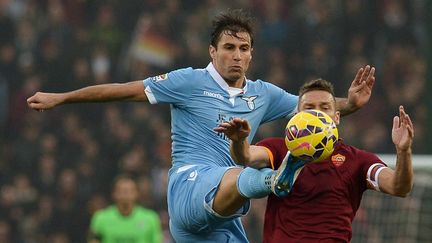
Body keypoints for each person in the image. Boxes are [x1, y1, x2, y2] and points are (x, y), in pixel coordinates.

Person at [27, 9, 376, 242]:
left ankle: (268, 180)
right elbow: (122, 90)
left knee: (236, 179)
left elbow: (315, 114)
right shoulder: (187, 82)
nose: (236, 55)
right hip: (189, 186)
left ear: (252, 54)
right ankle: (274, 179)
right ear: (212, 51)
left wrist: (349, 105)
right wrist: (62, 97)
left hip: (224, 215)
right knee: (237, 175)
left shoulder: (263, 94)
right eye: (228, 48)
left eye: (243, 48)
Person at [216, 79, 414, 242]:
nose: (317, 112)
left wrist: (403, 151)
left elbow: (399, 187)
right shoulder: (279, 148)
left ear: (336, 117)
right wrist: (239, 140)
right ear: (297, 115)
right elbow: (245, 156)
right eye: (309, 107)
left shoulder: (357, 160)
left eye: (324, 107)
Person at [89, 175, 162, 243]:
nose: (125, 195)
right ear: (114, 194)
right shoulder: (100, 218)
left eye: (129, 191)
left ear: (137, 193)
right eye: (121, 191)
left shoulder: (150, 218)